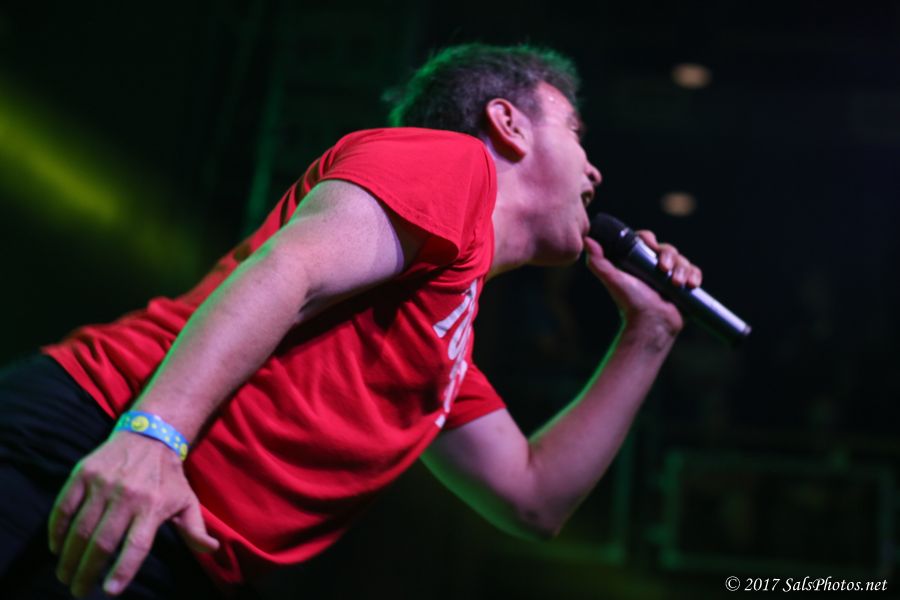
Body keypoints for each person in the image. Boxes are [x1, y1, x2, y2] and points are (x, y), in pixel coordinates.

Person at [0, 43, 701, 598]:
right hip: (96, 441)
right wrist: (152, 436)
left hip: (175, 535)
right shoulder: (452, 164)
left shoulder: (439, 340)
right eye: (576, 132)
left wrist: (650, 333)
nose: (594, 172)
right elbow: (291, 270)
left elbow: (533, 498)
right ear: (508, 124)